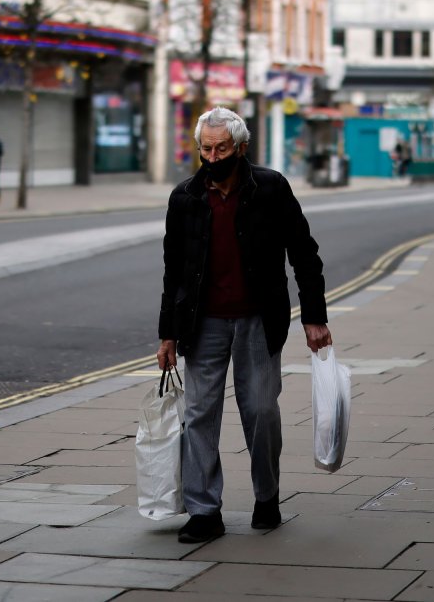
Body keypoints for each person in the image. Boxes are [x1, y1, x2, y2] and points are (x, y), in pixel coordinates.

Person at [156, 107, 330, 544]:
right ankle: (203, 510)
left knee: (262, 411)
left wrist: (314, 318)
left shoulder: (270, 188)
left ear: (242, 147)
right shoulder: (185, 197)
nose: (213, 157)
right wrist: (167, 334)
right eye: (206, 148)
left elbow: (304, 255)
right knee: (198, 415)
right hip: (203, 323)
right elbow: (173, 273)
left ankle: (266, 497)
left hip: (258, 319)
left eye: (222, 148)